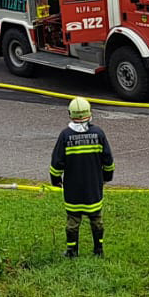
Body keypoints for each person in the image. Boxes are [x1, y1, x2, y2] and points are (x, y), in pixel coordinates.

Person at [49, 96, 114, 257]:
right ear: (89, 113)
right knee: (96, 219)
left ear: (70, 114)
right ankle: (98, 250)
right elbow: (108, 160)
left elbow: (57, 162)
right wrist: (107, 177)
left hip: (73, 188)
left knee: (73, 221)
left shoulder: (65, 136)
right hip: (93, 186)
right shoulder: (98, 133)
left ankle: (72, 251)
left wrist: (55, 180)